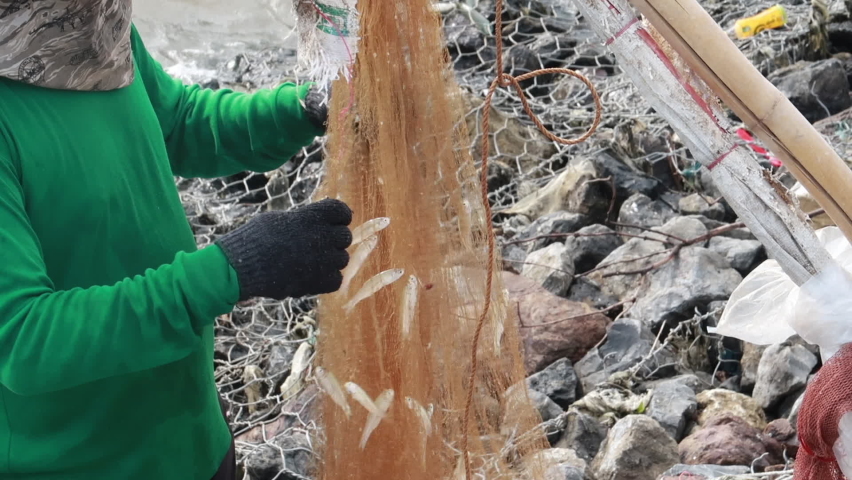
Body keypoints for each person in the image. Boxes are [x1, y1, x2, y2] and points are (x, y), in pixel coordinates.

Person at [0, 1, 352, 479]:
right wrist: (231, 270)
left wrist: (299, 110)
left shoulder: (88, 24)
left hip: (194, 432)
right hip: (83, 463)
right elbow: (26, 340)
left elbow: (179, 122)